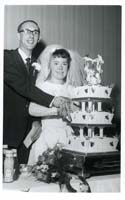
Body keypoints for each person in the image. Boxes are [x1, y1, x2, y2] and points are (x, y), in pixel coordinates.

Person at [3, 20, 72, 164]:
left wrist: (36, 122)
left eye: (35, 32)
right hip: (8, 131)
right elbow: (23, 87)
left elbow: (36, 95)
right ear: (18, 35)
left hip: (31, 134)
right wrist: (54, 100)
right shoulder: (6, 58)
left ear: (39, 37)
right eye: (27, 31)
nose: (31, 35)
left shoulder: (41, 65)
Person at [27, 45, 82, 165]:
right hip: (47, 136)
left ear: (68, 67)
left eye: (64, 64)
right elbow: (32, 109)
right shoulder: (42, 86)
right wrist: (56, 111)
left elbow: (78, 112)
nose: (60, 68)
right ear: (49, 65)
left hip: (68, 135)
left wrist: (72, 108)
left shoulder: (73, 90)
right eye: (56, 63)